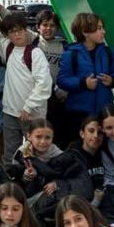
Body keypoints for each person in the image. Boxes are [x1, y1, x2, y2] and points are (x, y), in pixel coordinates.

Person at [0, 5, 51, 166]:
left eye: (19, 30)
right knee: (11, 154)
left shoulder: (35, 53)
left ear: (25, 30)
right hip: (10, 113)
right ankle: (13, 186)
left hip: (33, 114)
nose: (16, 34)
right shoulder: (8, 49)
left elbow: (44, 83)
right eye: (12, 31)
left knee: (36, 153)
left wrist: (29, 107)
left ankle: (35, 187)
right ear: (8, 34)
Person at [5, 118, 92, 227]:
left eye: (47, 138)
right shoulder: (23, 153)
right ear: (29, 136)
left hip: (49, 194)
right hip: (29, 193)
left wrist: (56, 183)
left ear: (52, 138)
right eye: (38, 137)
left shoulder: (58, 154)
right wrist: (27, 176)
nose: (43, 142)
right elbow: (17, 177)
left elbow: (69, 177)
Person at [56, 12, 114, 142]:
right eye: (98, 28)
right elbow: (62, 80)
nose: (103, 31)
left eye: (102, 27)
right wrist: (83, 83)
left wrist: (112, 80)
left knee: (105, 146)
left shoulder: (109, 52)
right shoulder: (71, 54)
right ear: (85, 32)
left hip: (105, 110)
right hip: (79, 112)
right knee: (82, 147)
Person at [34, 9, 70, 147]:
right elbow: (13, 23)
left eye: (52, 25)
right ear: (38, 27)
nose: (48, 28)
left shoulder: (64, 46)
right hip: (40, 97)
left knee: (58, 132)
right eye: (45, 25)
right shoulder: (34, 42)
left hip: (59, 97)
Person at [67, 115, 105, 207]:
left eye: (100, 132)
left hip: (103, 201)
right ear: (82, 134)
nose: (95, 135)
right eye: (91, 131)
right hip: (81, 206)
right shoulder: (71, 156)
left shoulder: (105, 153)